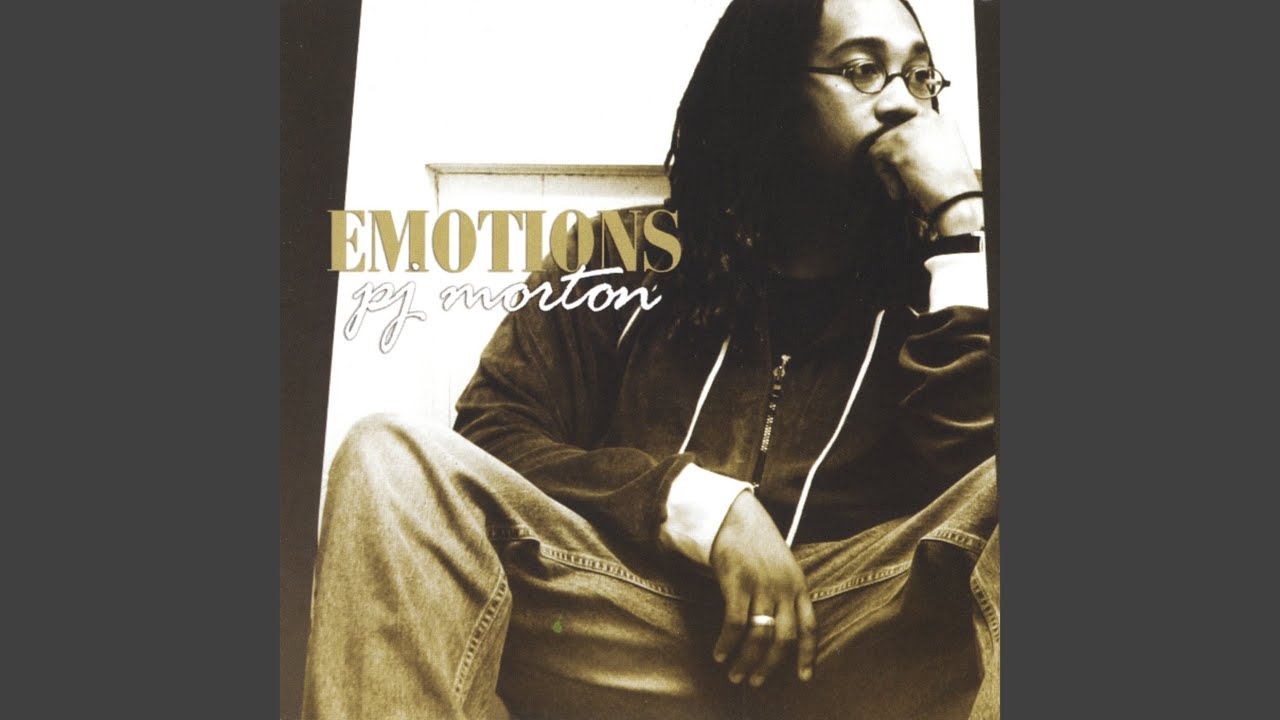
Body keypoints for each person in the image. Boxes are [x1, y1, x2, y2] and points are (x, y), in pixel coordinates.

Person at [303, 0, 998, 717]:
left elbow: (978, 479)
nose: (904, 105)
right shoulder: (619, 257)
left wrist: (960, 229)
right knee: (389, 457)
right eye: (863, 70)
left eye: (921, 77)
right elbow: (495, 435)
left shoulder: (949, 287)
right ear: (768, 89)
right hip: (629, 625)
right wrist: (703, 507)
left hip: (854, 634)